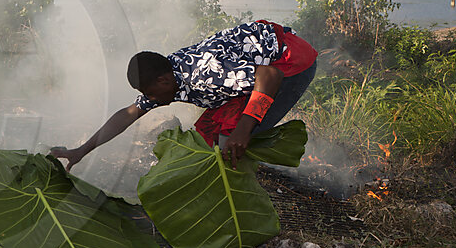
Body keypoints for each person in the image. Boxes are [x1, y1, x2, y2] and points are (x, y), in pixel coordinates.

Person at [51, 20, 318, 169]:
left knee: (232, 142)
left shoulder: (204, 74)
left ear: (164, 80)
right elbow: (127, 115)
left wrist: (243, 130)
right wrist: (81, 150)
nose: (150, 101)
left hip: (289, 63)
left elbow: (269, 77)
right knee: (205, 139)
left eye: (151, 94)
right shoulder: (166, 80)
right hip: (253, 71)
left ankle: (237, 198)